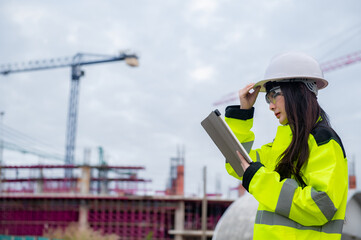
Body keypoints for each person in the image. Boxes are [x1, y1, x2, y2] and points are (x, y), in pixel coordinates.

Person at [224, 52, 348, 240]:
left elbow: (321, 205)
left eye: (274, 95)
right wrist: (243, 114)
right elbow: (238, 164)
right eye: (268, 98)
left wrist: (259, 180)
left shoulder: (323, 141)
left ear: (298, 90)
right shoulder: (283, 144)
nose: (271, 106)